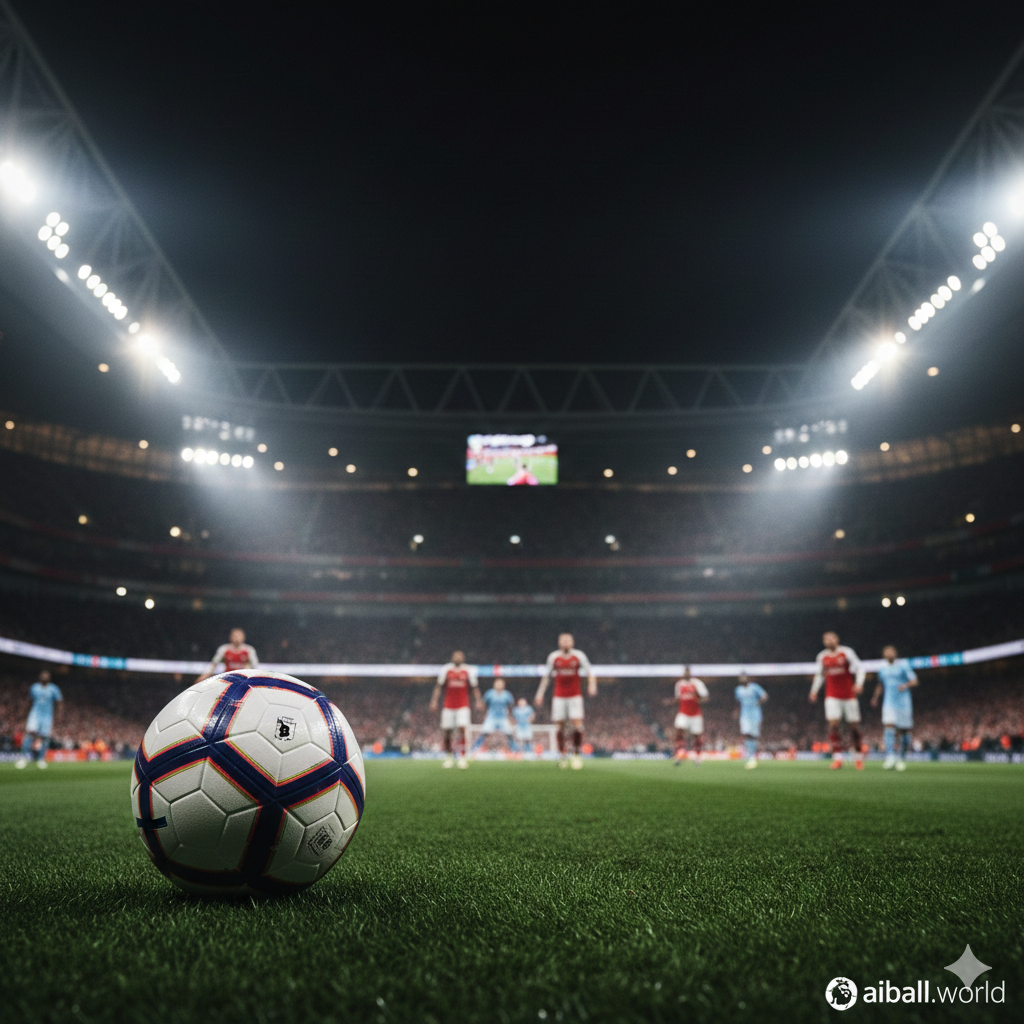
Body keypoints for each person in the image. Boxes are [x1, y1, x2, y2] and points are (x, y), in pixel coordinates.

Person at [534, 632, 596, 769]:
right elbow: (546, 676)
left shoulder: (579, 655)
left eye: (568, 640)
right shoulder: (553, 657)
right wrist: (540, 693)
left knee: (577, 724)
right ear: (559, 642)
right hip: (559, 696)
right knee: (559, 726)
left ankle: (576, 754)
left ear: (572, 642)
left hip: (575, 695)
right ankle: (562, 755)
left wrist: (592, 685)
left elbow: (589, 671)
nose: (566, 642)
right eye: (563, 640)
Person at [809, 631, 866, 770]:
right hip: (832, 695)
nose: (829, 641)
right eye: (826, 639)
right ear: (824, 642)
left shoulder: (846, 652)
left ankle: (858, 757)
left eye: (831, 638)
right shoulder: (822, 656)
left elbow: (860, 668)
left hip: (849, 695)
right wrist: (814, 690)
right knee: (833, 724)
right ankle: (838, 757)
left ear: (837, 639)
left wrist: (859, 683)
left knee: (854, 727)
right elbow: (819, 675)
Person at [430, 650, 483, 768]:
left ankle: (462, 757)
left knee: (462, 729)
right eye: (456, 656)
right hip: (448, 706)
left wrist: (478, 701)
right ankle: (449, 757)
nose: (458, 658)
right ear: (452, 657)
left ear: (463, 658)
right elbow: (439, 686)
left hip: (463, 706)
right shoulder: (446, 669)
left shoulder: (468, 670)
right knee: (447, 731)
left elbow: (474, 687)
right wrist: (434, 700)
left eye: (460, 656)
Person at [870, 645, 918, 770]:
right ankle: (890, 757)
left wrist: (905, 685)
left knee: (904, 731)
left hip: (904, 703)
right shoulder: (882, 670)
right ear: (883, 655)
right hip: (889, 702)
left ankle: (902, 758)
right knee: (889, 727)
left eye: (891, 651)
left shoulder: (903, 666)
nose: (889, 654)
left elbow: (915, 681)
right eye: (886, 652)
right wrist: (875, 697)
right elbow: (880, 684)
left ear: (895, 653)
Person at [15, 669, 62, 769]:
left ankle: (41, 759)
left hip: (47, 716)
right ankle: (23, 758)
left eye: (46, 676)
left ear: (49, 678)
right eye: (43, 675)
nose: (45, 677)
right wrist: (23, 713)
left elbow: (59, 701)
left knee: (45, 737)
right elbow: (29, 701)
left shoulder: (54, 689)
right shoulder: (34, 688)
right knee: (29, 734)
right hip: (35, 714)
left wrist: (59, 714)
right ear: (40, 677)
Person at [668, 666, 709, 764]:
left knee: (696, 735)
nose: (686, 674)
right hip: (683, 713)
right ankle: (680, 752)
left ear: (690, 673)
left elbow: (705, 697)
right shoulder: (679, 684)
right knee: (679, 730)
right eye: (685, 672)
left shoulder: (697, 683)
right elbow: (678, 698)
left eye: (688, 672)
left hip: (695, 714)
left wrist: (698, 699)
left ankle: (698, 755)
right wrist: (670, 702)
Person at [473, 678, 516, 754]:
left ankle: (515, 751)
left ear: (503, 685)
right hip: (491, 717)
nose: (499, 685)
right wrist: (482, 712)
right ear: (494, 685)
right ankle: (474, 749)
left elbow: (511, 707)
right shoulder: (489, 693)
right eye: (497, 683)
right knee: (484, 733)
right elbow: (484, 705)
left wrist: (511, 717)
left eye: (500, 684)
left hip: (503, 718)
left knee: (509, 734)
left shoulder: (507, 695)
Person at [734, 673, 768, 768]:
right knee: (746, 734)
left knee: (753, 736)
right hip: (744, 715)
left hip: (755, 715)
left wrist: (758, 702)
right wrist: (737, 711)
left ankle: (753, 756)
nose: (742, 679)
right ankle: (750, 756)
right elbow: (738, 701)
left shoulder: (754, 687)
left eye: (744, 678)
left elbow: (765, 696)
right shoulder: (738, 690)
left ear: (747, 678)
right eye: (741, 678)